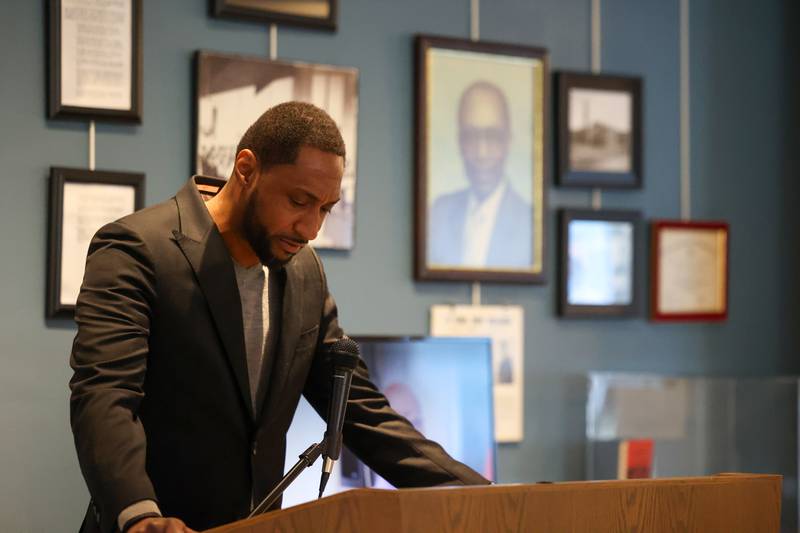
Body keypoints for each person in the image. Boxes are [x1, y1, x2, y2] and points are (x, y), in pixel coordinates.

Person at [69, 102, 489, 533]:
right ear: (247, 169)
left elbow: (364, 414)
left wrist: (488, 500)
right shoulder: (136, 250)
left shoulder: (305, 272)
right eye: (299, 200)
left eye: (326, 208)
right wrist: (139, 513)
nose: (311, 228)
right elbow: (105, 396)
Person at [428, 80, 533, 269]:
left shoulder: (529, 221)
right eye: (471, 136)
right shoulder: (439, 213)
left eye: (492, 136)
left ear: (508, 141)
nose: (481, 152)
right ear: (459, 142)